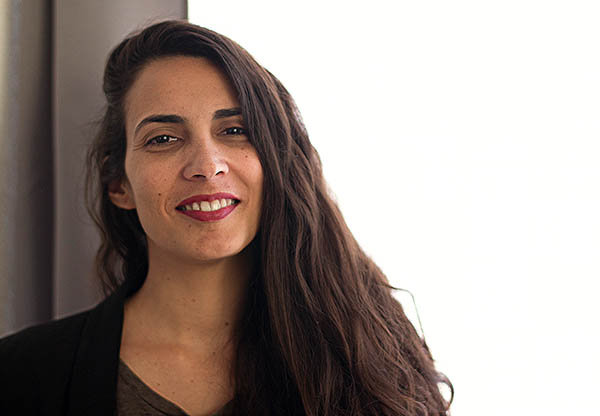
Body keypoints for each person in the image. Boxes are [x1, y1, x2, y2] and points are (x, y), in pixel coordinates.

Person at [0, 20, 452, 415]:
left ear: (275, 161)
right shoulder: (19, 376)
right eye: (163, 139)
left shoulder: (373, 356)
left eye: (235, 130)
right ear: (120, 184)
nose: (207, 164)